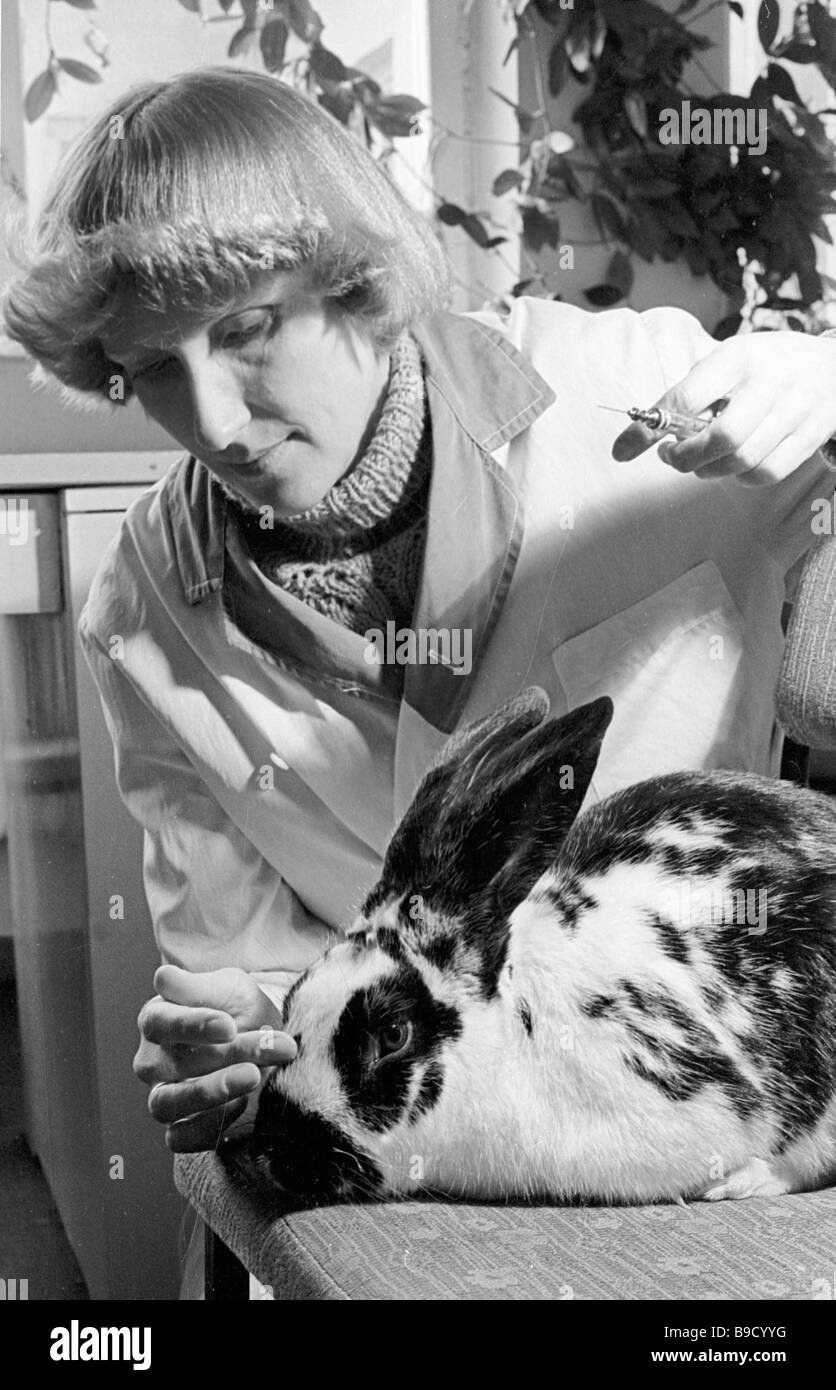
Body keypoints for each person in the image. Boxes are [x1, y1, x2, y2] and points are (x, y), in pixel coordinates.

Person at [4, 67, 836, 1161]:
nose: (210, 419)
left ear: (352, 277)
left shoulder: (630, 394)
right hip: (419, 1162)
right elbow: (249, 965)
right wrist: (238, 1038)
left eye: (247, 329)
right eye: (151, 366)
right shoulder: (137, 614)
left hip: (688, 1134)